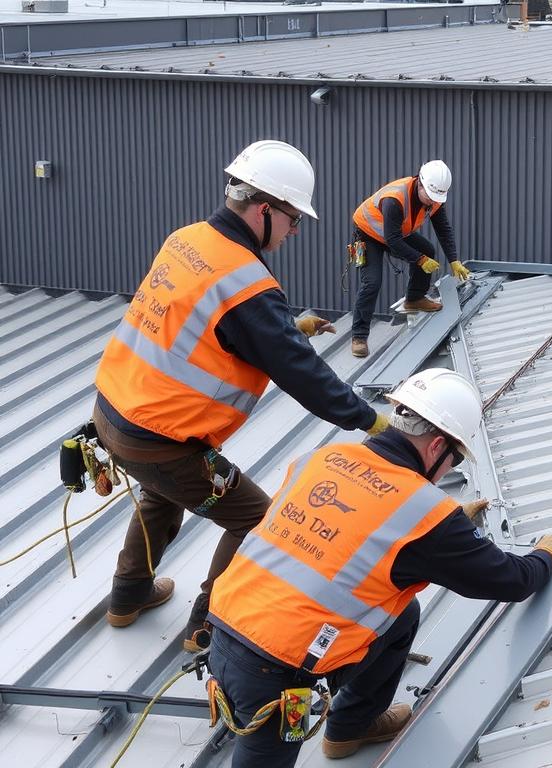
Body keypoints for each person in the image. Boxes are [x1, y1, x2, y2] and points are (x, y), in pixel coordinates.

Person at [92, 140, 390, 652]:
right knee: (257, 519)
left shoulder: (188, 239)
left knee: (160, 494)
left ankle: (127, 597)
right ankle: (206, 627)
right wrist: (369, 421)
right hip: (161, 440)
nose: (295, 230)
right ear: (263, 209)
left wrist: (284, 327)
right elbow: (301, 374)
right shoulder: (247, 285)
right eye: (293, 219)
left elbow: (193, 323)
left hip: (111, 414)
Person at [206, 368, 552, 766]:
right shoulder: (427, 516)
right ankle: (343, 728)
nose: (448, 470)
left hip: (223, 626)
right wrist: (546, 555)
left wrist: (447, 530)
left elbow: (342, 529)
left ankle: (351, 727)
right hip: (273, 678)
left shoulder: (326, 457)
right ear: (436, 447)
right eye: (453, 460)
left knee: (401, 613)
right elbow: (510, 580)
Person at [349, 160, 471, 358]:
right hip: (368, 234)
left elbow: (443, 229)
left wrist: (453, 260)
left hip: (395, 232)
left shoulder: (435, 197)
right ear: (420, 183)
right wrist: (420, 260)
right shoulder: (395, 199)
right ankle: (359, 336)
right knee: (372, 282)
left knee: (427, 249)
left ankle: (414, 298)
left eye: (436, 198)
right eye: (429, 197)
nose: (432, 202)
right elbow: (393, 241)